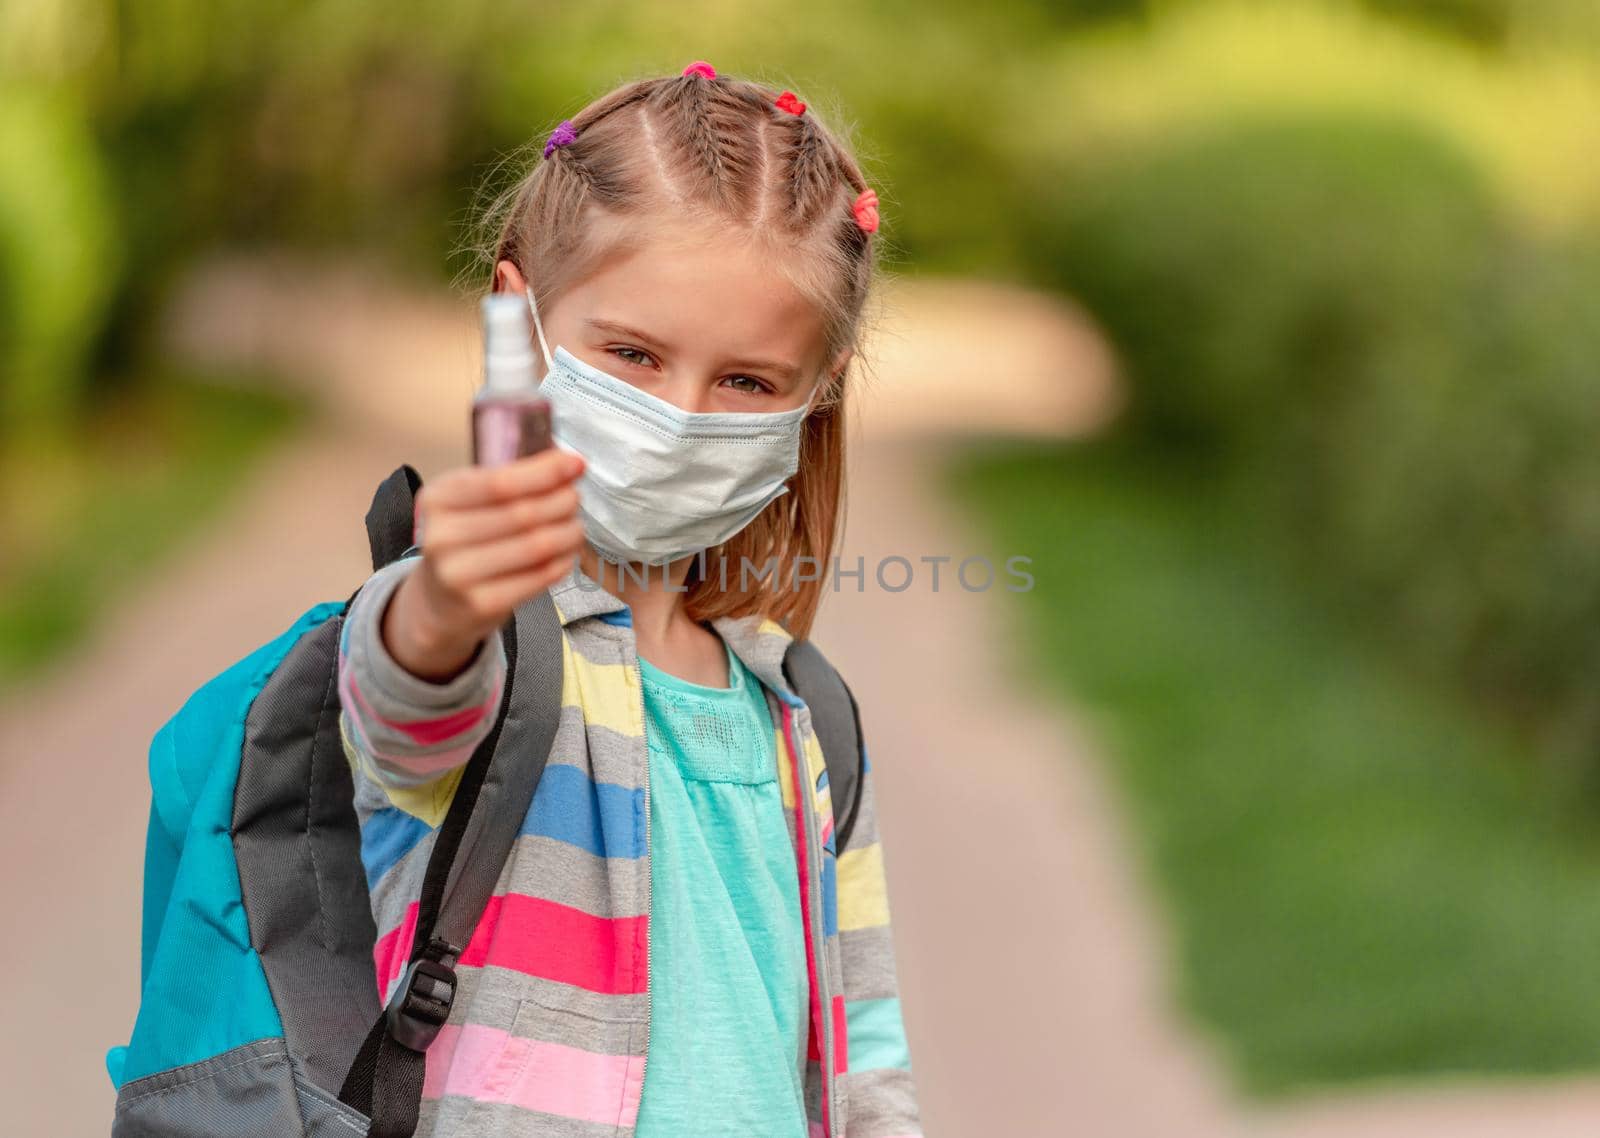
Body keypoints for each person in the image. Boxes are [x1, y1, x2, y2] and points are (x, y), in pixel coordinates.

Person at [336, 61, 920, 1138]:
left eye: (746, 381)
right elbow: (403, 698)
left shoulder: (803, 710)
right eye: (633, 355)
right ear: (518, 321)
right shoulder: (492, 646)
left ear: (819, 387)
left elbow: (863, 1053)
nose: (681, 416)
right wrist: (446, 603)